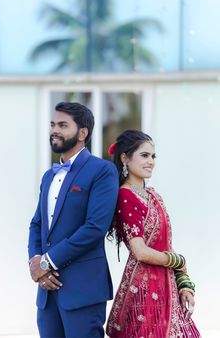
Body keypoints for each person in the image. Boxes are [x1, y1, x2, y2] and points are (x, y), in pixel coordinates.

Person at [28, 102, 119, 338]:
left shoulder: (103, 171)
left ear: (82, 133)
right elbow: (37, 224)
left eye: (62, 125)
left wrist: (47, 262)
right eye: (52, 125)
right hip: (47, 294)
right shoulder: (49, 176)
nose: (54, 130)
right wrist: (35, 262)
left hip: (83, 290)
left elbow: (95, 228)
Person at [106, 130, 201, 338]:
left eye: (153, 156)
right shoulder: (125, 195)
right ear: (125, 158)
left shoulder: (153, 195)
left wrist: (185, 282)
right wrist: (178, 260)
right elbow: (140, 251)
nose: (151, 162)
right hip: (145, 289)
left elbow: (164, 245)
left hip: (167, 285)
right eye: (144, 155)